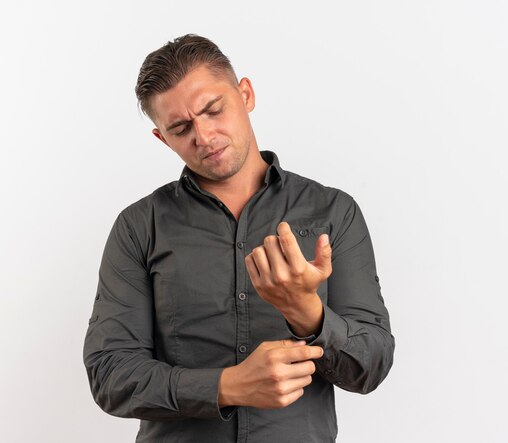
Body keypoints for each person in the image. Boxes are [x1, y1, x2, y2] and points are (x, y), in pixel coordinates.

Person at [83, 33, 395, 443]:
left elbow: (371, 366)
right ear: (162, 137)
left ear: (245, 94)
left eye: (214, 110)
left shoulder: (333, 212)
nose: (205, 136)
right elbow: (110, 374)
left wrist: (308, 314)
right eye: (180, 128)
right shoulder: (139, 227)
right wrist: (227, 386)